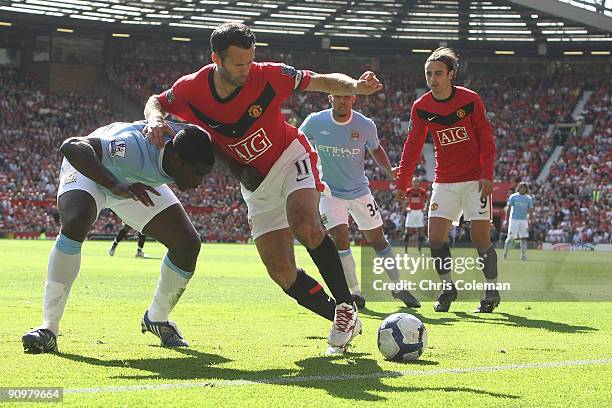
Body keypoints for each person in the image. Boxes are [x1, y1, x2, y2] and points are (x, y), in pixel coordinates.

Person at [144, 23, 383, 354]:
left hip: (290, 156)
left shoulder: (270, 75)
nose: (246, 70)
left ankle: (345, 304)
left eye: (250, 61)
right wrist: (155, 120)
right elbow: (156, 101)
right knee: (282, 272)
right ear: (216, 59)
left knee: (305, 225)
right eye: (238, 64)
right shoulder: (191, 89)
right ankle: (341, 317)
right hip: (254, 184)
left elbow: (321, 80)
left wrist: (355, 85)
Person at [22, 121, 215, 353]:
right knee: (76, 221)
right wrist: (114, 184)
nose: (200, 182)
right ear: (175, 159)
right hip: (91, 170)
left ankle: (157, 318)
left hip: (134, 182)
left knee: (187, 244)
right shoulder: (132, 146)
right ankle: (48, 329)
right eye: (196, 173)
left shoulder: (189, 141)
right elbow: (71, 146)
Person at [395, 47, 500, 313]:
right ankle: (447, 289)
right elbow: (412, 146)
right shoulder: (421, 107)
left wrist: (487, 175)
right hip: (444, 181)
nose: (433, 78)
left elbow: (487, 141)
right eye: (429, 74)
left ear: (451, 74)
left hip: (475, 181)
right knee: (435, 238)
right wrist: (402, 182)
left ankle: (491, 292)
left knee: (480, 240)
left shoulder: (470, 100)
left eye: (438, 73)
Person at [299, 94, 420, 310]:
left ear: (353, 99)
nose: (343, 101)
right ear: (330, 98)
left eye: (347, 97)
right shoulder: (315, 121)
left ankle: (398, 286)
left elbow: (375, 148)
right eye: (338, 97)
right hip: (330, 193)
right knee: (341, 240)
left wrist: (389, 169)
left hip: (360, 192)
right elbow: (298, 142)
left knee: (378, 240)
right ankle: (355, 292)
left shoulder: (365, 124)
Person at [503, 182, 533, 261]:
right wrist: (506, 220)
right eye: (521, 187)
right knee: (510, 238)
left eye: (524, 188)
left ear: (526, 189)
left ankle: (523, 255)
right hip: (514, 220)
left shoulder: (528, 198)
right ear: (518, 188)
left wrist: (530, 220)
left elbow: (530, 211)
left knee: (524, 238)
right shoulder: (513, 196)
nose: (522, 189)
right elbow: (509, 208)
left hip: (523, 221)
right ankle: (505, 253)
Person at [402, 177, 428, 254]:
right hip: (411, 212)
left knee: (420, 231)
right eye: (414, 182)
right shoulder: (408, 191)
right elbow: (405, 201)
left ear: (419, 183)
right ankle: (405, 251)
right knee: (407, 231)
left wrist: (425, 208)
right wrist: (406, 208)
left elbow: (426, 201)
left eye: (417, 182)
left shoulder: (423, 191)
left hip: (419, 212)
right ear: (412, 183)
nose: (415, 183)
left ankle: (419, 251)